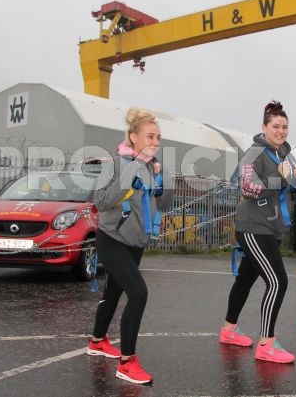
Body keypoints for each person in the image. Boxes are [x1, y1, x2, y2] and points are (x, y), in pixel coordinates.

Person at [86, 107, 173, 384]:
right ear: (133, 137)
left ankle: (97, 341)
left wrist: (163, 179)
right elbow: (101, 201)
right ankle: (127, 362)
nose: (155, 142)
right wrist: (134, 169)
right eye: (150, 136)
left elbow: (165, 204)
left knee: (114, 292)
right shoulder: (114, 163)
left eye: (158, 137)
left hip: (136, 242)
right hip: (111, 239)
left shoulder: (151, 167)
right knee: (138, 293)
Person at [219, 100, 296, 363]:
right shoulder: (255, 153)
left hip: (271, 227)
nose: (281, 131)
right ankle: (266, 343)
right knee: (278, 281)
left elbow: (286, 194)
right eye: (276, 126)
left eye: (285, 126)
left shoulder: (286, 156)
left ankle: (229, 330)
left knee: (245, 280)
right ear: (264, 127)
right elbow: (246, 186)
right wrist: (281, 178)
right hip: (252, 227)